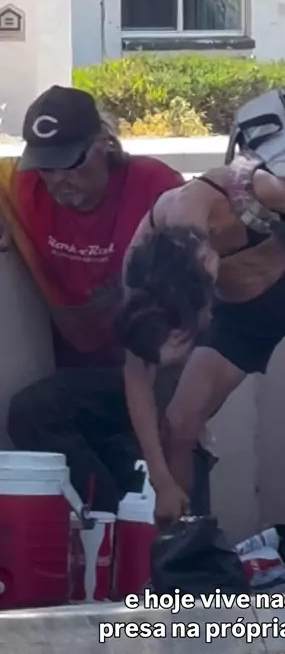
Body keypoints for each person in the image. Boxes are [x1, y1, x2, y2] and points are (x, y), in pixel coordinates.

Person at [117, 159, 285, 589]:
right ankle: (182, 570)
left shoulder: (245, 189)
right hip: (244, 319)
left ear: (204, 261)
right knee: (180, 422)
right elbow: (136, 373)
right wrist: (161, 479)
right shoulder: (143, 260)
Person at [1, 85, 213, 514]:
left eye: (70, 163)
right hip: (85, 371)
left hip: (156, 363)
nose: (58, 180)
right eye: (46, 167)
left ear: (104, 144)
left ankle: (183, 538)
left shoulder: (154, 186)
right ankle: (113, 527)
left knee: (165, 435)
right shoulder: (23, 186)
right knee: (32, 413)